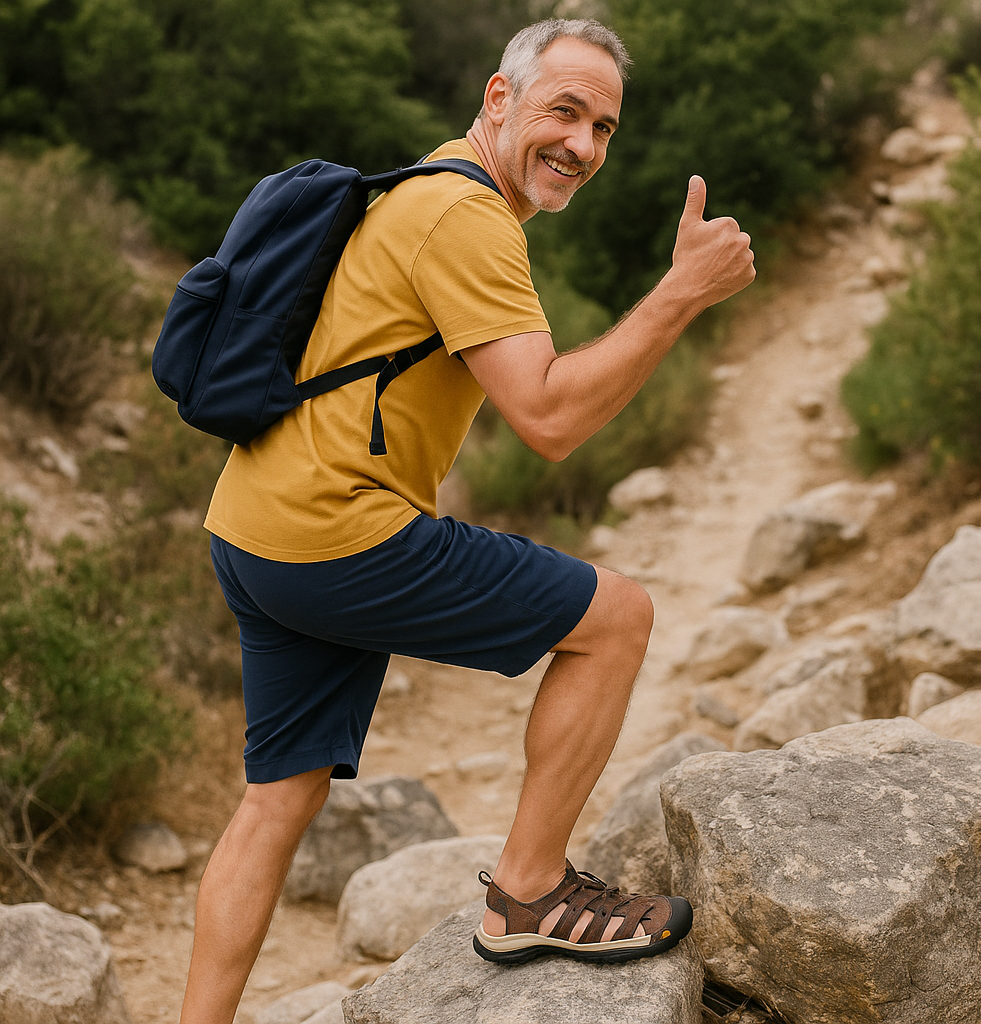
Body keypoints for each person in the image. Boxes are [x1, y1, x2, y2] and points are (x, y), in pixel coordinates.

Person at [179, 17, 755, 1023]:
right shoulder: (466, 216)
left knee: (279, 798)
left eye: (603, 127)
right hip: (333, 530)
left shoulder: (421, 183)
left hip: (254, 524)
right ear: (500, 98)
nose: (583, 144)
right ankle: (529, 892)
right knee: (613, 618)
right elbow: (549, 416)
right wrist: (678, 294)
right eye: (563, 110)